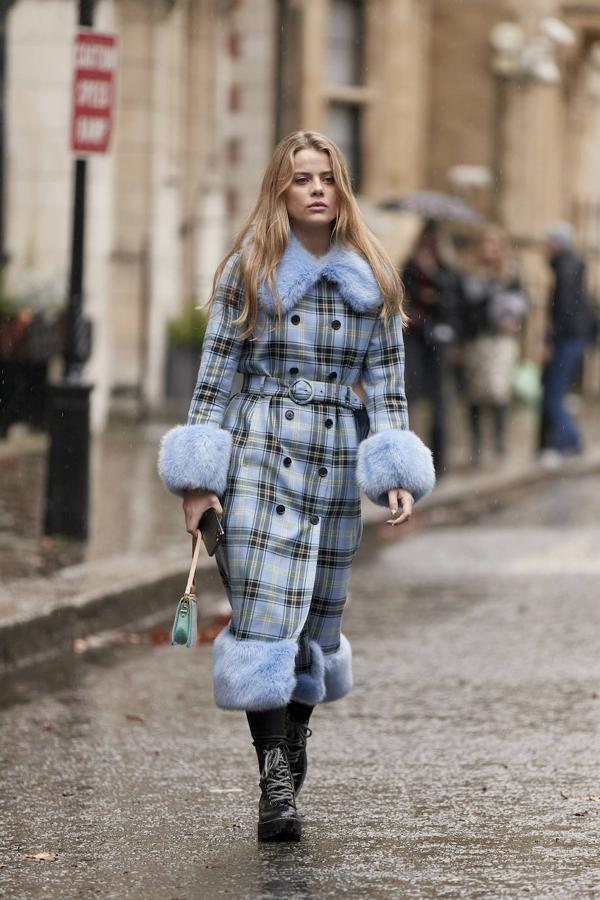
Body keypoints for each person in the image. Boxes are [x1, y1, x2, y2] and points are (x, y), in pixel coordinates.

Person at [158, 131, 435, 843]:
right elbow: (215, 381)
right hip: (259, 455)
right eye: (300, 178)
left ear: (342, 190)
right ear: (279, 191)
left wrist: (395, 474)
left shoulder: (374, 277)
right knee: (262, 614)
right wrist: (198, 483)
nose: (315, 189)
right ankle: (273, 778)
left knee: (318, 620)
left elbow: (388, 390)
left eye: (326, 178)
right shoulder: (249, 271)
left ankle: (294, 732)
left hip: (336, 463)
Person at [460, 225, 528, 464]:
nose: (488, 248)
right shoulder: (470, 273)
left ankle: (499, 445)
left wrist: (513, 322)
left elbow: (521, 304)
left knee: (498, 391)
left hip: (501, 340)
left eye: (492, 244)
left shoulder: (509, 273)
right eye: (484, 243)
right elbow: (464, 310)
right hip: (477, 339)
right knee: (476, 394)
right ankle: (477, 446)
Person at [401, 221, 462, 476]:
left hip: (438, 342)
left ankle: (439, 461)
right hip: (415, 339)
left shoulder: (447, 271)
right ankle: (410, 458)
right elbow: (401, 296)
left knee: (439, 400)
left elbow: (452, 304)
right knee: (411, 398)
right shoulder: (409, 266)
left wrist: (434, 279)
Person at [539, 222, 592, 462]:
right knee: (556, 393)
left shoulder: (565, 269)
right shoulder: (569, 265)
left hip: (566, 340)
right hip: (573, 338)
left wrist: (551, 340)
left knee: (553, 394)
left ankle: (568, 442)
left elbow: (563, 310)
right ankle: (569, 441)